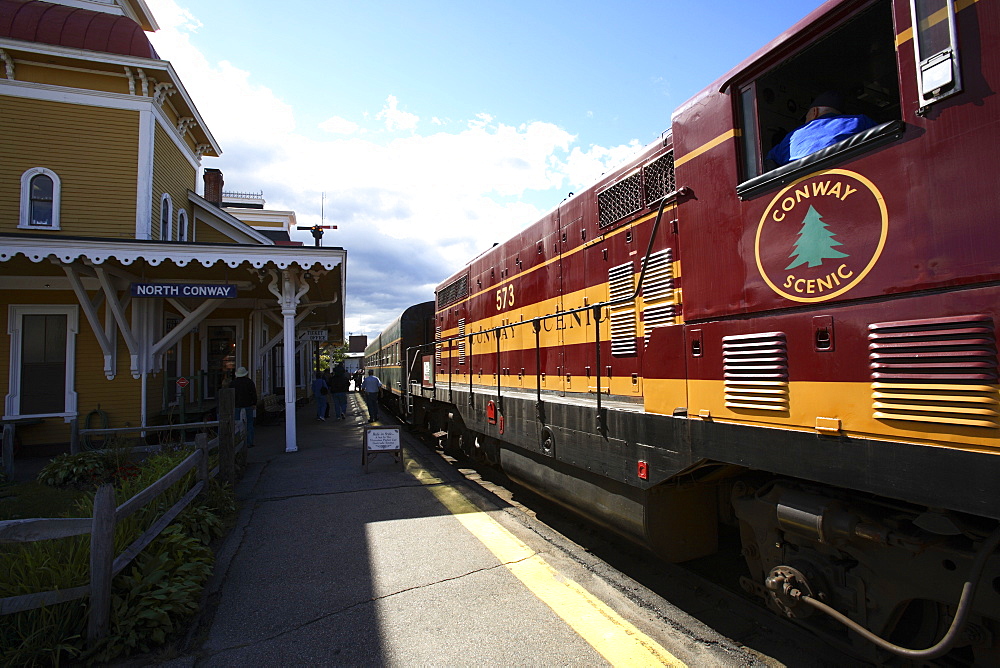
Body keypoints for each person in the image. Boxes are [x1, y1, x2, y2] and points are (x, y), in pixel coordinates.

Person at [764, 91, 877, 169]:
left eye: (805, 117)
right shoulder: (860, 121)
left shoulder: (791, 137)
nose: (805, 123)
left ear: (814, 112)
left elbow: (770, 163)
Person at [231, 366, 258, 448]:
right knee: (249, 424)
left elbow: (231, 395)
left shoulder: (233, 383)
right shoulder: (249, 382)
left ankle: (238, 442)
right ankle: (249, 442)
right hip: (248, 405)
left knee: (236, 424)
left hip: (236, 406)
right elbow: (254, 393)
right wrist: (254, 403)